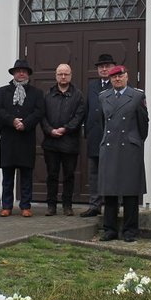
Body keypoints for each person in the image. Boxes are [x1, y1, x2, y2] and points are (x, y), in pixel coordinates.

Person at [98, 65, 149, 242]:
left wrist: (134, 140)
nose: (117, 79)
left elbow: (144, 125)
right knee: (110, 191)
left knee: (130, 192)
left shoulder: (137, 96)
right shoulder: (104, 96)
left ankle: (130, 230)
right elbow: (102, 123)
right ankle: (110, 229)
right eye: (114, 77)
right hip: (110, 147)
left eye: (120, 76)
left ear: (127, 76)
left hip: (129, 147)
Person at [0, 59, 46, 217]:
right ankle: (7, 206)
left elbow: (39, 112)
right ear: (13, 73)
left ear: (28, 74)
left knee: (26, 175)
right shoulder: (2, 92)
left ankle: (25, 206)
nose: (21, 73)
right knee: (8, 176)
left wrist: (26, 123)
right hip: (8, 138)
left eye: (24, 71)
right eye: (18, 71)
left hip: (26, 138)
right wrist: (13, 121)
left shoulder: (37, 93)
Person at [41, 63, 86, 216]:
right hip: (51, 143)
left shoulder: (78, 95)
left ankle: (67, 205)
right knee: (52, 175)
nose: (63, 76)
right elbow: (42, 116)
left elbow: (79, 117)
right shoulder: (48, 94)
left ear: (71, 75)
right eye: (60, 74)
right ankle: (51, 205)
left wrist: (65, 128)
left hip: (70, 143)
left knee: (69, 175)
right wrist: (50, 130)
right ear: (56, 76)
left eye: (66, 74)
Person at [79, 53, 115, 217]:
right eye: (101, 66)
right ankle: (95, 205)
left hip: (111, 136)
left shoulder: (116, 84)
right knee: (94, 173)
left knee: (110, 172)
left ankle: (111, 205)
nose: (104, 69)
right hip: (94, 135)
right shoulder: (92, 85)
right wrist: (86, 130)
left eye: (107, 66)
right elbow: (87, 108)